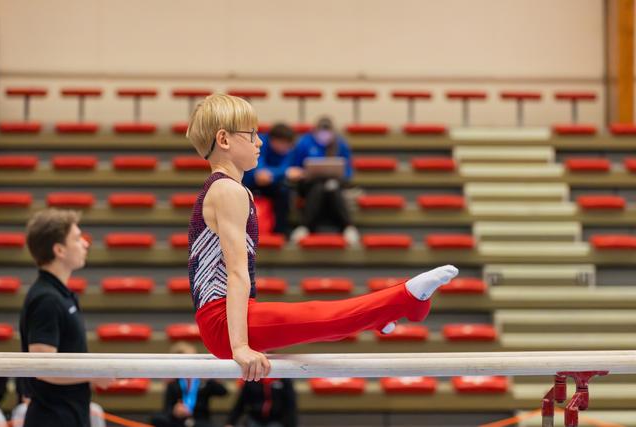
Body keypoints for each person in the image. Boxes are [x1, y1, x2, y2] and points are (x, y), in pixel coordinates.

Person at [186, 94, 459, 381]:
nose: (260, 142)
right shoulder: (227, 190)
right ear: (224, 140)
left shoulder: (228, 190)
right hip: (223, 323)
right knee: (322, 316)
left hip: (227, 318)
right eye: (251, 134)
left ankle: (383, 313)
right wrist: (239, 346)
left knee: (321, 321)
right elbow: (237, 272)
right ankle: (404, 299)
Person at [19, 209, 113, 427]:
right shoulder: (46, 299)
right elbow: (43, 367)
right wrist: (93, 373)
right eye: (78, 239)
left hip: (71, 413)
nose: (85, 244)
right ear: (59, 249)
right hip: (52, 418)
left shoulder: (61, 295)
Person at [287, 117, 358, 245]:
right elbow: (294, 166)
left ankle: (348, 227)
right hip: (308, 184)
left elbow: (347, 172)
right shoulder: (304, 143)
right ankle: (305, 227)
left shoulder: (340, 144)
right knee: (319, 186)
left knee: (331, 186)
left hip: (334, 184)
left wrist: (339, 174)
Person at [242, 123, 302, 236]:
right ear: (273, 140)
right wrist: (284, 172)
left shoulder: (289, 150)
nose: (286, 148)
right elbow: (260, 174)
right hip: (250, 183)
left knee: (285, 191)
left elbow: (286, 169)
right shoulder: (260, 144)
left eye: (288, 145)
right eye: (283, 144)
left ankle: (280, 230)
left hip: (275, 185)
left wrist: (276, 173)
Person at [150, 342, 228, 427]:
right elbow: (166, 408)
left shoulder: (203, 379)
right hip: (178, 421)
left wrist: (212, 377)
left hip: (200, 420)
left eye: (193, 359)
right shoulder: (173, 382)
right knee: (157, 418)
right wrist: (174, 411)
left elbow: (223, 392)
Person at [225, 378, 297, 427]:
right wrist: (230, 422)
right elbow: (240, 403)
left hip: (276, 419)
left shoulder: (284, 381)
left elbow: (290, 406)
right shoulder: (251, 380)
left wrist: (291, 425)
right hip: (255, 418)